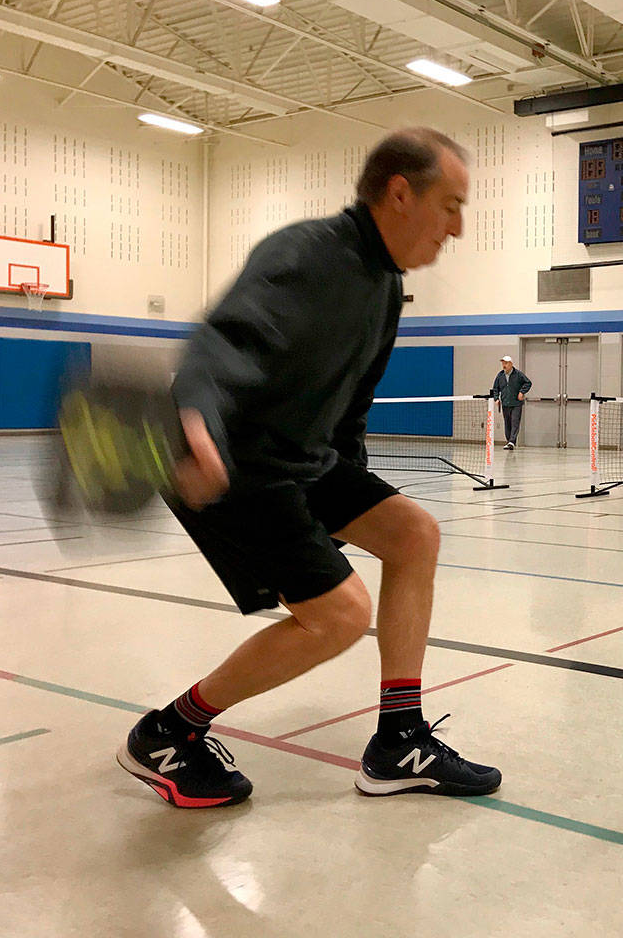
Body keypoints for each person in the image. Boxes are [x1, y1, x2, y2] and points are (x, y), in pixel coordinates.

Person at [116, 127, 501, 809]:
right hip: (232, 460)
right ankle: (168, 733)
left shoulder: (384, 287)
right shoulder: (307, 253)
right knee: (341, 616)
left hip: (306, 460)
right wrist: (195, 423)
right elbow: (220, 342)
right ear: (401, 193)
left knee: (414, 533)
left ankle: (399, 741)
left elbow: (351, 403)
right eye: (451, 205)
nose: (458, 228)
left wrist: (351, 498)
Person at [490, 355, 531, 450]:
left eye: (506, 363)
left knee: (515, 422)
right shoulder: (500, 376)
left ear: (511, 364)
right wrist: (496, 398)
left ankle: (512, 441)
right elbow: (495, 388)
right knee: (507, 423)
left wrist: (522, 392)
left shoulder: (518, 374)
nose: (504, 365)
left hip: (516, 403)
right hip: (505, 403)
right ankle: (509, 441)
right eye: (503, 363)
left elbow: (528, 383)